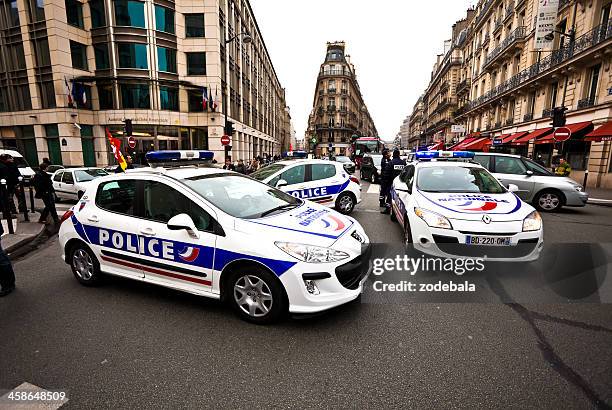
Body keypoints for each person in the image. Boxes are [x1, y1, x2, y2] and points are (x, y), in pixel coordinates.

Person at [381, 149, 407, 214]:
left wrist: (386, 183)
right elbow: (406, 173)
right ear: (399, 154)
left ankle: (388, 209)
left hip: (391, 183)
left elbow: (386, 174)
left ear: (393, 155)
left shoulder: (391, 163)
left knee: (389, 197)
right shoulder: (403, 163)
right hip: (401, 183)